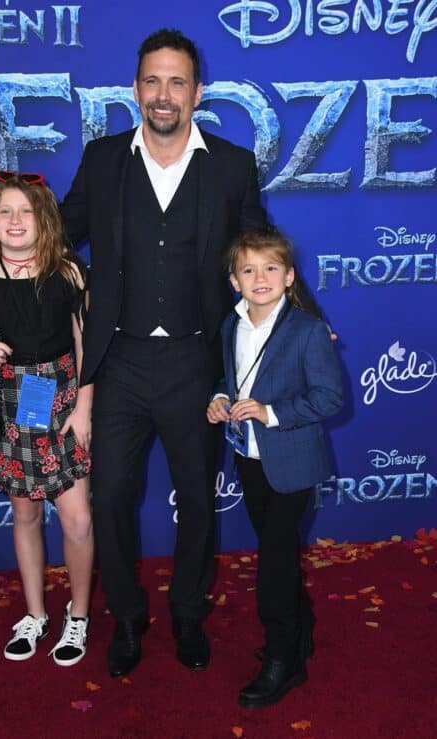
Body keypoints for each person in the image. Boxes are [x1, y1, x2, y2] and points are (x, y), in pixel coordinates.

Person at [59, 28, 267, 678]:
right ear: (135, 89)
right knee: (112, 495)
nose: (163, 94)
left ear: (196, 92)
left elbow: (261, 252)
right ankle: (125, 617)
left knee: (198, 503)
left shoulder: (231, 165)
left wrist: (303, 323)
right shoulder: (102, 159)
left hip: (195, 365)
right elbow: (55, 237)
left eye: (176, 81)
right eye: (152, 80)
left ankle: (185, 613)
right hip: (116, 363)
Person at [0, 171, 94, 667]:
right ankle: (35, 614)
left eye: (25, 211)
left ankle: (78, 615)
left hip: (61, 399)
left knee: (77, 519)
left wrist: (83, 410)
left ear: (43, 219)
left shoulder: (68, 272)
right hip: (7, 401)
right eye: (5, 211)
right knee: (25, 513)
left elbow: (85, 347)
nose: (15, 220)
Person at [206, 226, 343, 707]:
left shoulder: (307, 330)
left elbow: (330, 397)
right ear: (233, 280)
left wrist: (270, 412)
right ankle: (301, 631)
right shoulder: (231, 325)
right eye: (248, 270)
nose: (259, 277)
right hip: (250, 458)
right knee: (276, 550)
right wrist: (221, 398)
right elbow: (231, 376)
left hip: (294, 462)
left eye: (269, 268)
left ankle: (283, 660)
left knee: (275, 563)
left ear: (288, 277)